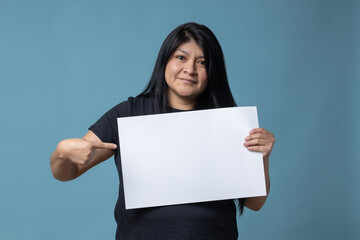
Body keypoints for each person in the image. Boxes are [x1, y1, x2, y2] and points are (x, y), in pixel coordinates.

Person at [50, 22, 275, 239]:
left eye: (202, 62)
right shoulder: (129, 113)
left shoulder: (230, 122)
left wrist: (262, 157)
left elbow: (254, 203)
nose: (190, 69)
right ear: (165, 61)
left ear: (212, 70)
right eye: (181, 58)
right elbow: (68, 172)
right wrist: (62, 152)